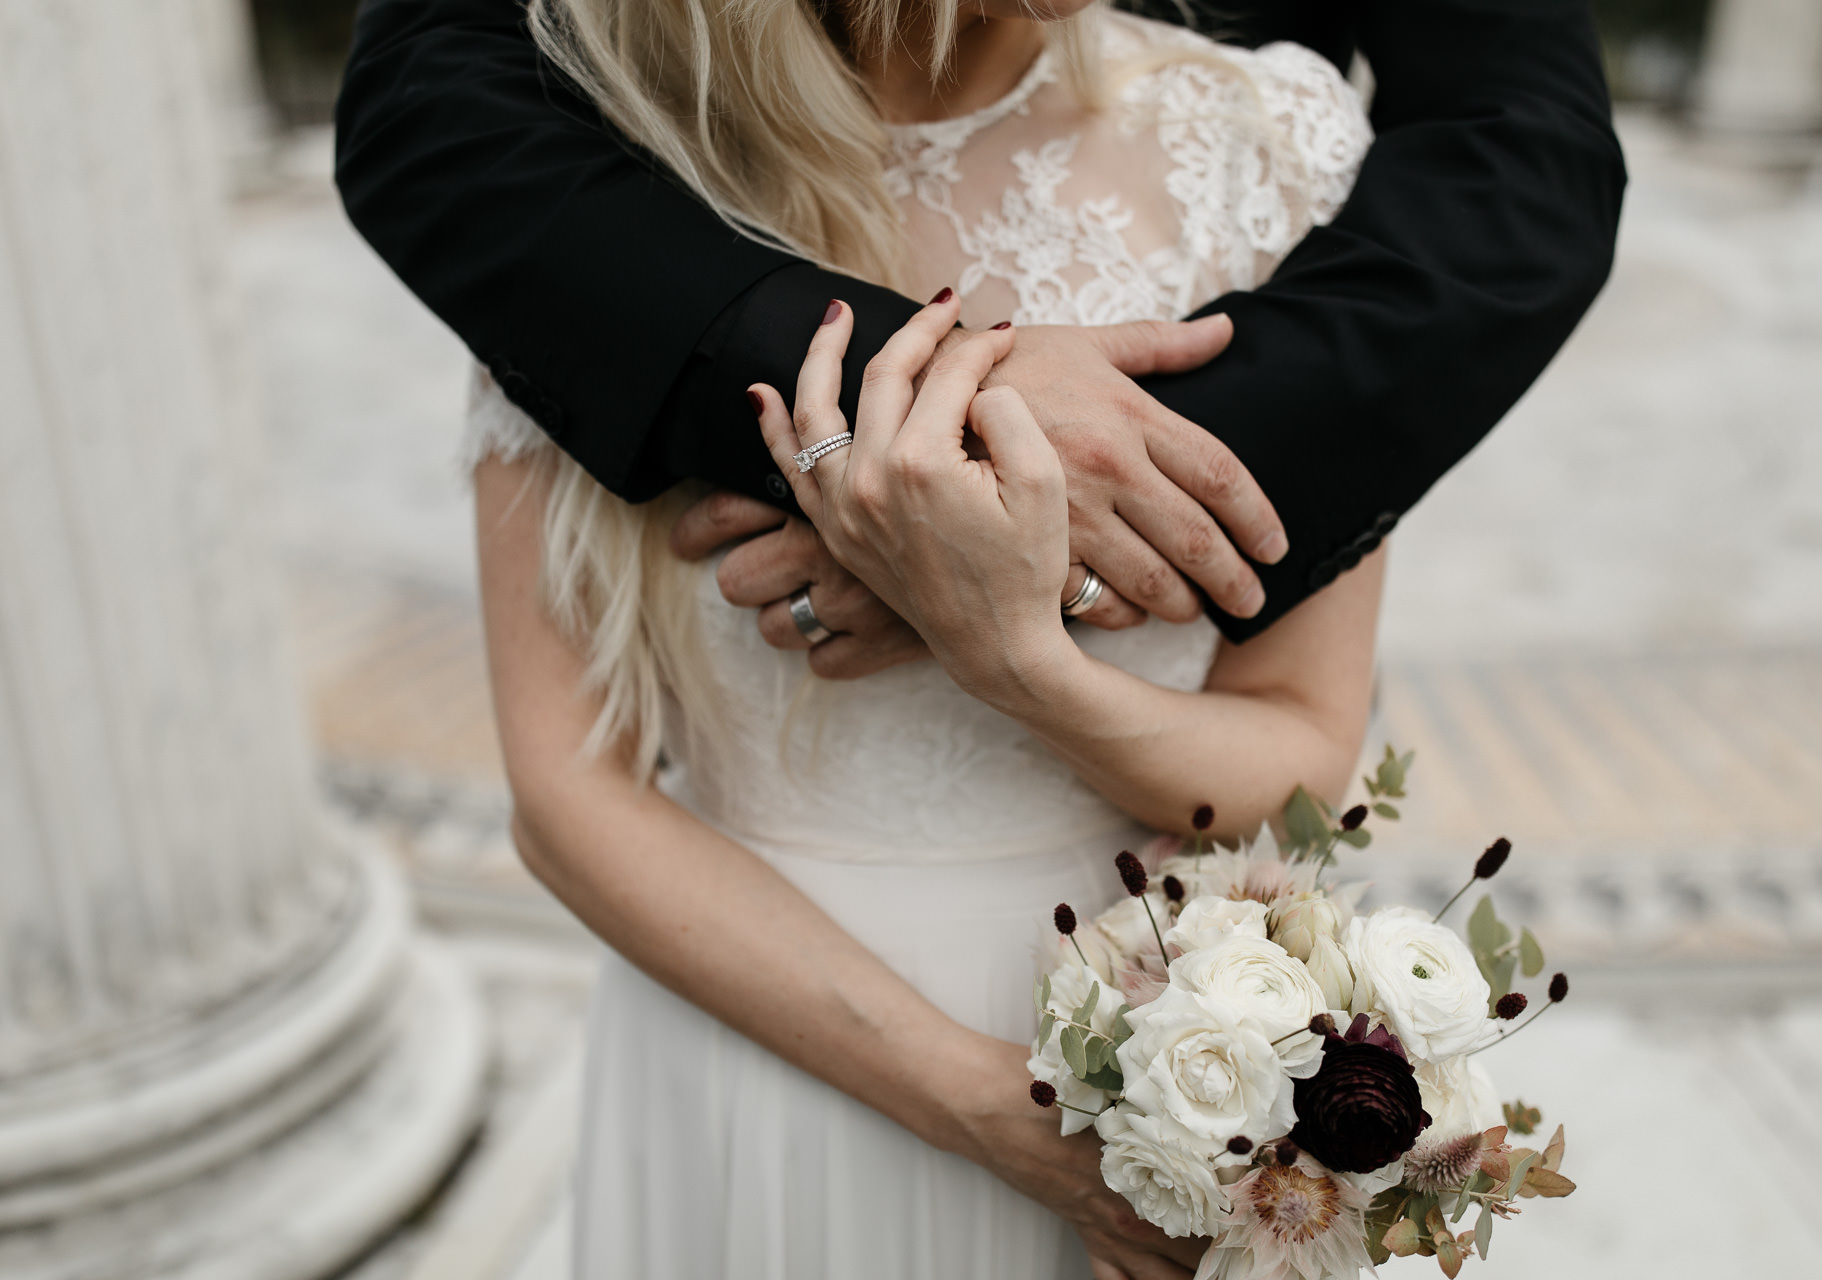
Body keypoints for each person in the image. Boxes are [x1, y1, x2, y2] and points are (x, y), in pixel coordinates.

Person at [461, 0, 1407, 1274]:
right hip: (760, 1056)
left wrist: (1015, 660)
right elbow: (566, 794)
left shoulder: (1264, 142)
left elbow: (1299, 748)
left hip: (1158, 1092)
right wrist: (987, 1107)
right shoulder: (595, 180)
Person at [336, 0, 1626, 667]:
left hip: (1186, 242)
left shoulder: (1259, 132)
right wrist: (905, 415)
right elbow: (427, 86)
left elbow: (1522, 147)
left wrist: (1035, 505)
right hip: (774, 174)